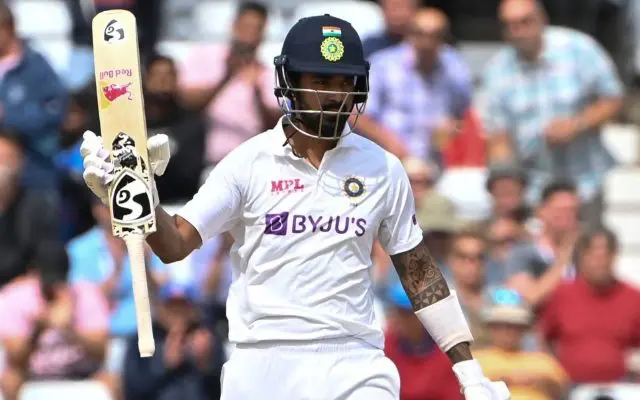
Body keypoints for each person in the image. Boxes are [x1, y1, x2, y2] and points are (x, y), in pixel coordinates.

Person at [80, 14, 510, 400]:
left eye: (345, 83)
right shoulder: (249, 162)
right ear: (290, 81)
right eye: (321, 81)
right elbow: (174, 245)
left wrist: (468, 370)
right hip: (263, 360)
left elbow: (418, 272)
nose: (335, 96)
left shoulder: (383, 167)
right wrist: (135, 193)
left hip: (354, 358)